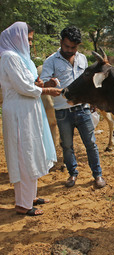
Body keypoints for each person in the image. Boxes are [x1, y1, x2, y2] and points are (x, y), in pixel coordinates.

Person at [0, 22, 62, 216]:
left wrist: (42, 83)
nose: (29, 43)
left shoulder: (21, 58)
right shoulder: (9, 57)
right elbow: (23, 88)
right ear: (16, 38)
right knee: (24, 154)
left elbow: (28, 83)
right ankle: (23, 204)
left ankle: (30, 196)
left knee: (31, 151)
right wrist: (48, 90)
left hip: (28, 109)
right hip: (19, 111)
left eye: (31, 40)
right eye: (27, 39)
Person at [40, 26, 106, 189]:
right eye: (67, 46)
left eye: (74, 48)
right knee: (67, 145)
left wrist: (92, 100)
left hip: (82, 108)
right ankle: (72, 173)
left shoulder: (82, 59)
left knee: (90, 143)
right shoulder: (51, 61)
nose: (70, 50)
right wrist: (50, 84)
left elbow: (88, 82)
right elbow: (43, 83)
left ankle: (97, 175)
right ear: (61, 42)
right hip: (62, 111)